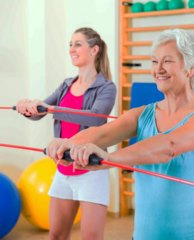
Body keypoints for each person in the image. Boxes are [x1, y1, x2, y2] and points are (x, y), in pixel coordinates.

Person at [46, 28, 194, 240]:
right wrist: (68, 143)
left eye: (167, 61)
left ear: (191, 68)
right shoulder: (144, 114)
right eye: (154, 61)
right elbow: (102, 134)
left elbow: (168, 146)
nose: (158, 69)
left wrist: (109, 159)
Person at [16, 27, 116, 240]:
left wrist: (49, 109)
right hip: (63, 170)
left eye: (78, 44)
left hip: (91, 172)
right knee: (57, 236)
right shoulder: (65, 85)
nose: (72, 48)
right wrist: (29, 108)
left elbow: (95, 118)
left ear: (94, 50)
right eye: (70, 44)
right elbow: (41, 112)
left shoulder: (106, 87)